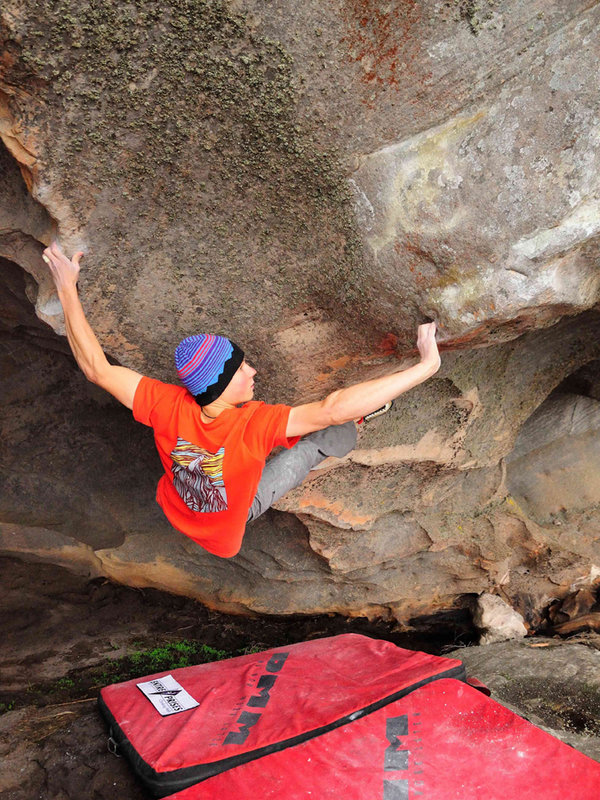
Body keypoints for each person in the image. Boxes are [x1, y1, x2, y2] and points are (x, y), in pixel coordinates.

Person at [42, 242, 441, 558]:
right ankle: (355, 428)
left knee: (301, 436)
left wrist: (66, 288)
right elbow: (332, 407)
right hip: (232, 526)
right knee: (318, 438)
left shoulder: (165, 403)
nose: (253, 373)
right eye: (241, 370)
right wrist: (424, 368)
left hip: (177, 507)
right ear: (218, 387)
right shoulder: (253, 424)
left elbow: (96, 368)